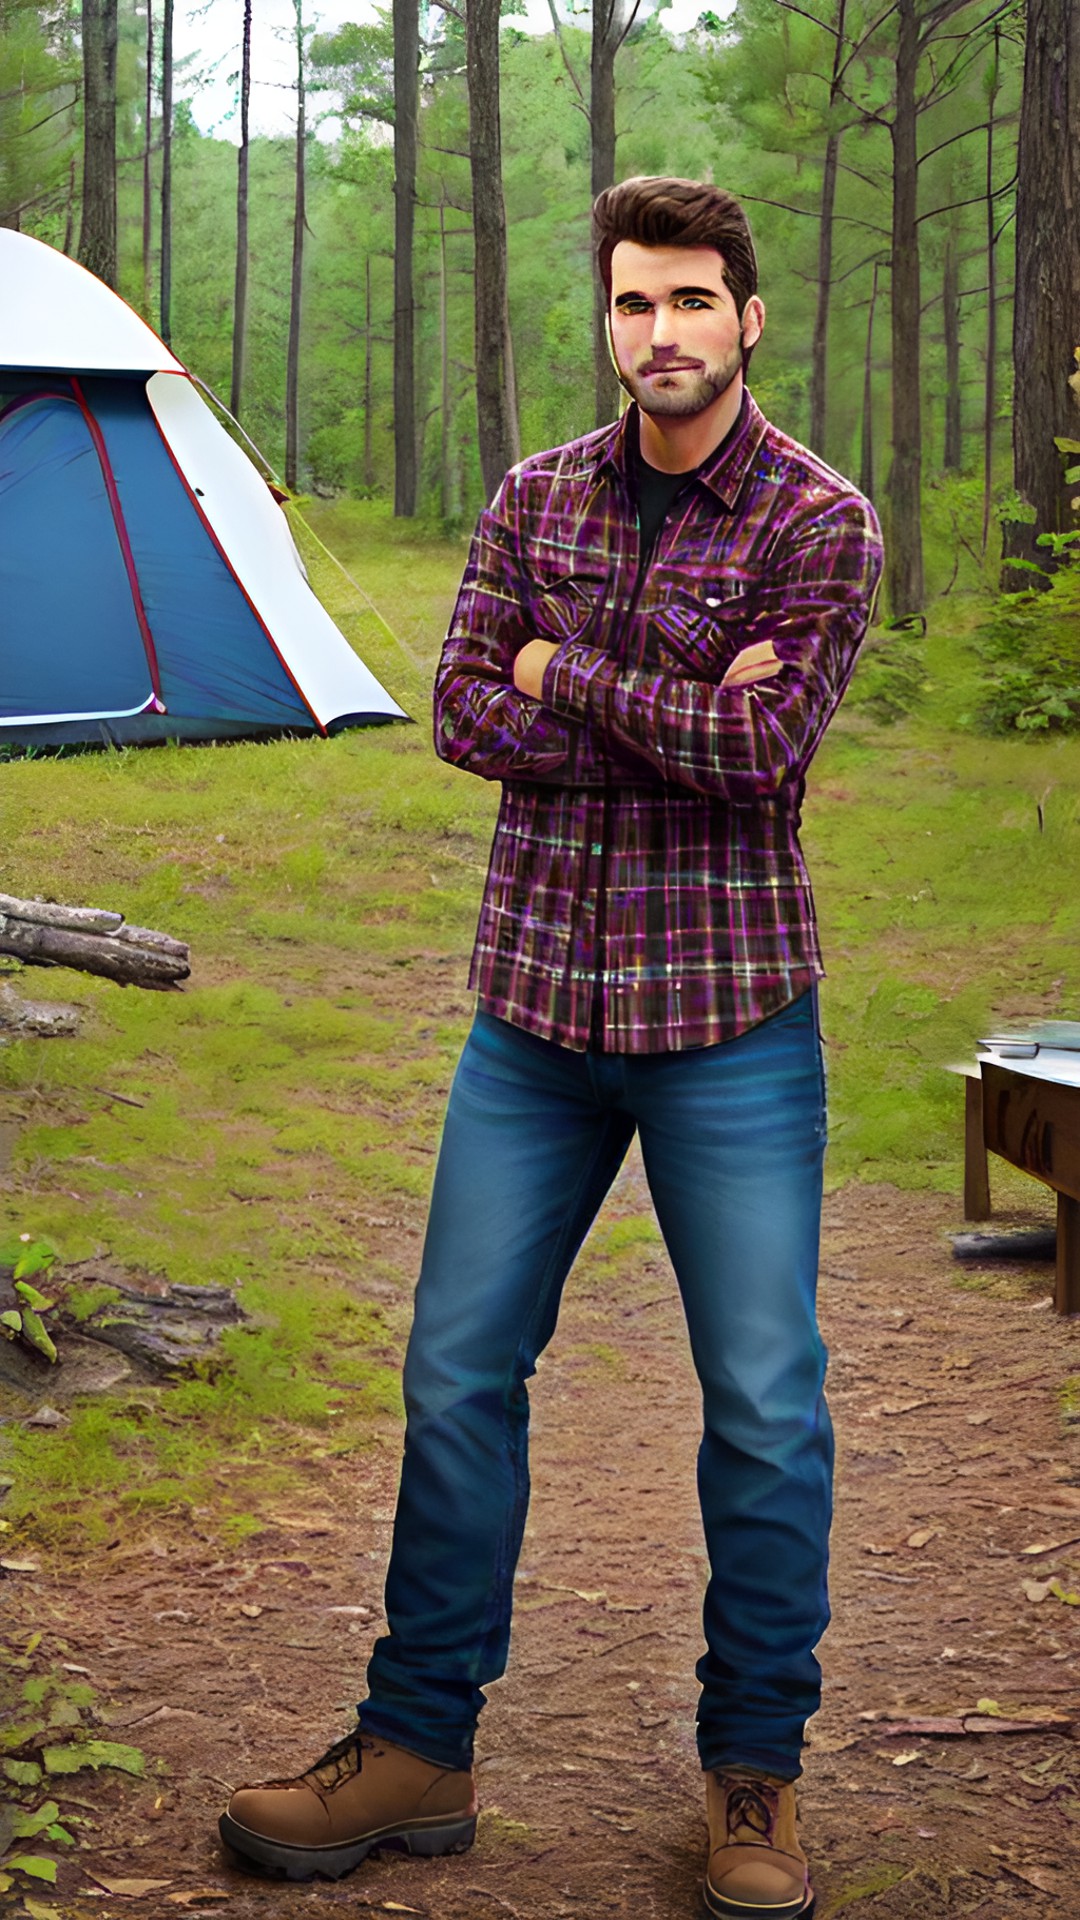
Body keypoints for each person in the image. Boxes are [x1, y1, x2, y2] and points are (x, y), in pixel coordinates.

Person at [219, 175, 883, 1919]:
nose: (657, 334)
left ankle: (756, 1775)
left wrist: (564, 672)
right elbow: (456, 713)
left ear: (748, 317)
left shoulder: (823, 524)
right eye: (629, 306)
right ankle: (417, 1742)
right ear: (607, 321)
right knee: (454, 1376)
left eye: (688, 302)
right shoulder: (536, 497)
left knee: (762, 1406)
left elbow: (760, 763)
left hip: (730, 1019)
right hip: (533, 1012)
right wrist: (661, 693)